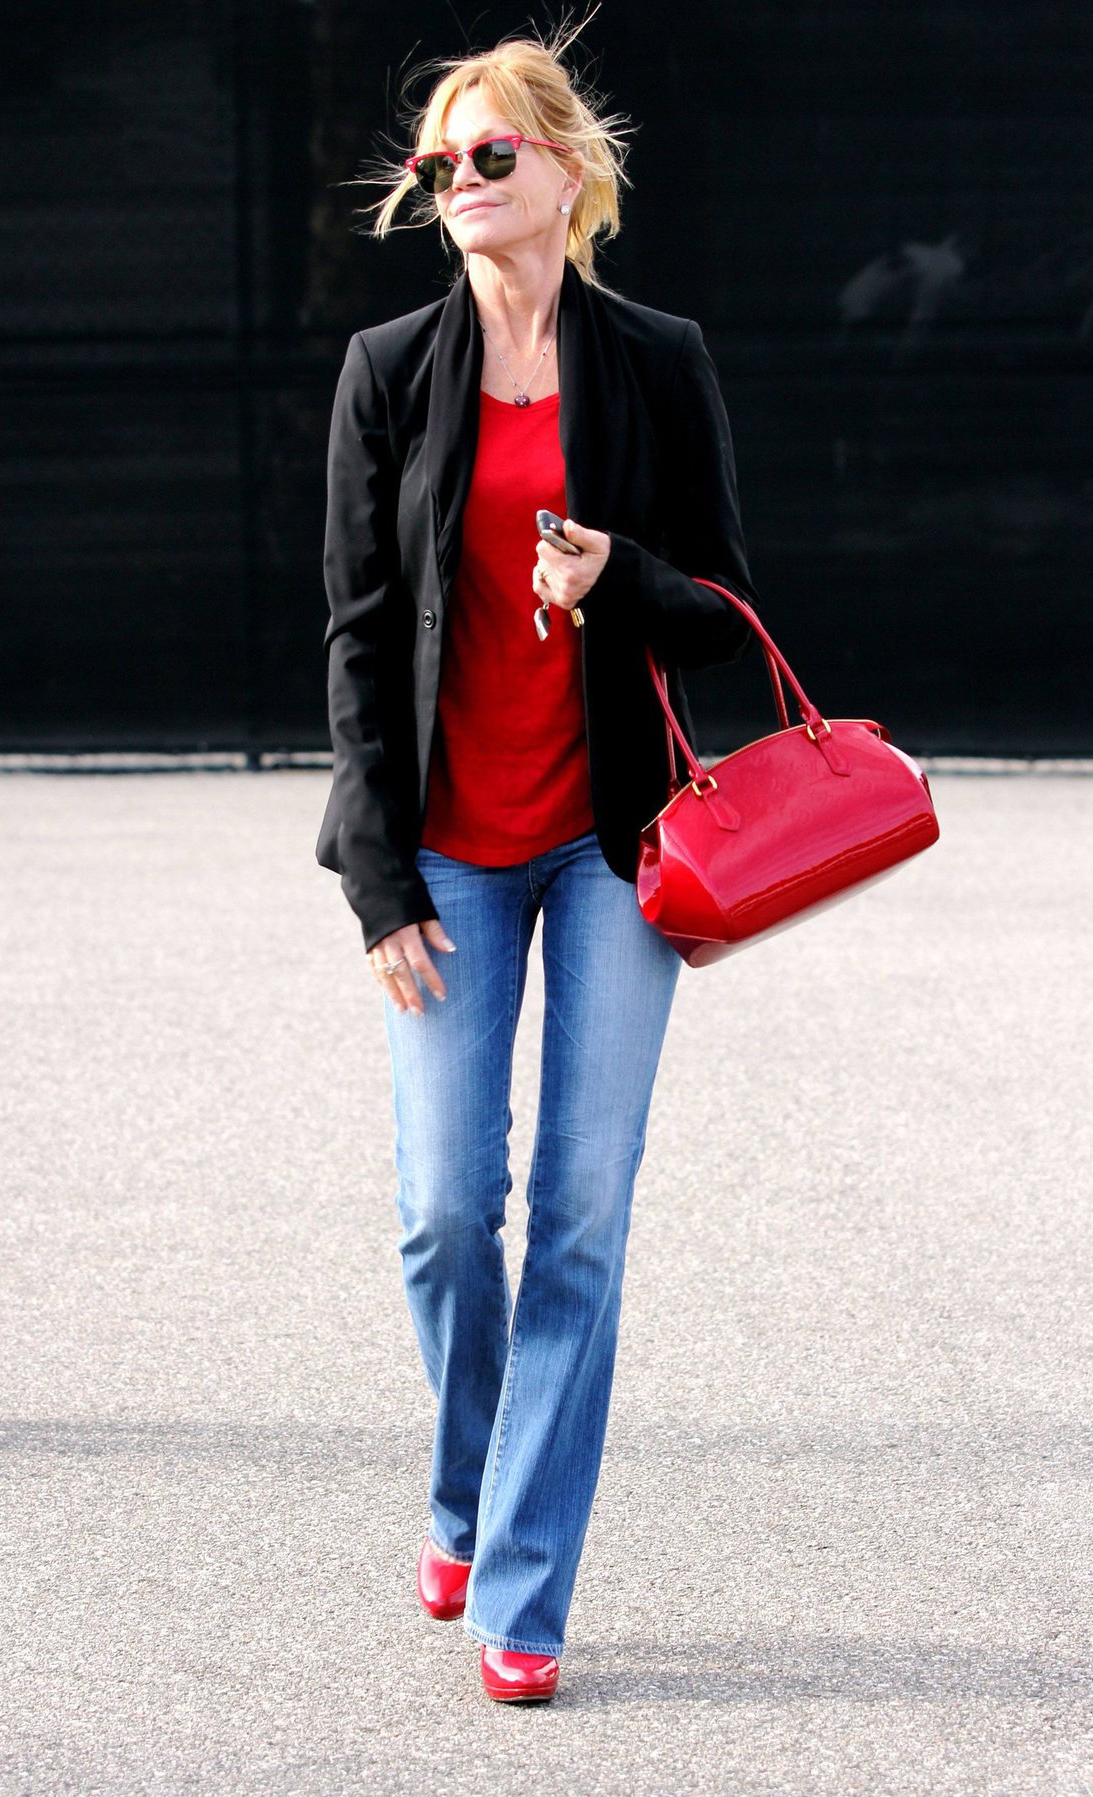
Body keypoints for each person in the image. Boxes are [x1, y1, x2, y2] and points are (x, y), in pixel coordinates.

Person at [315, 27, 759, 1704]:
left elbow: (725, 608)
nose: (461, 184)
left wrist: (620, 572)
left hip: (609, 847)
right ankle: (462, 1485)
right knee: (443, 1214)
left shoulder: (653, 358)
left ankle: (519, 1581)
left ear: (569, 174)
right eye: (441, 163)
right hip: (443, 851)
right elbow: (357, 639)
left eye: (491, 155)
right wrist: (377, 881)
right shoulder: (386, 368)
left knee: (574, 1219)